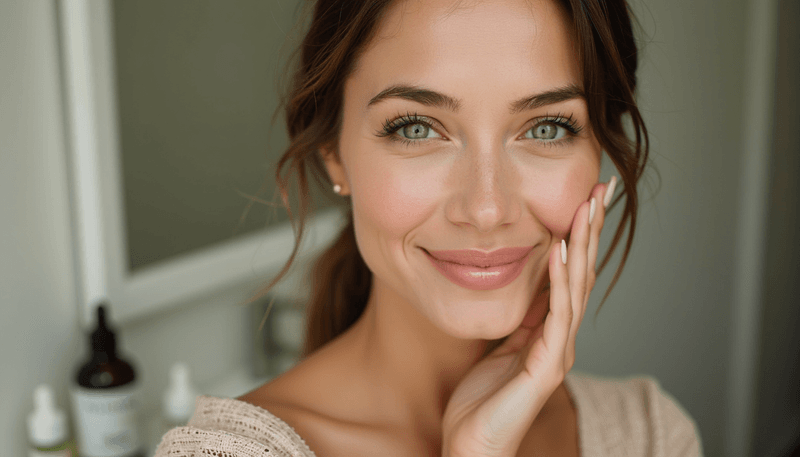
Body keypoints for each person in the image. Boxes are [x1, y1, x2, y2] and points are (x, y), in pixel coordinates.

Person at [155, 0, 704, 455]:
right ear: (333, 153)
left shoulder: (650, 433)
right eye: (417, 128)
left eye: (548, 126)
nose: (487, 209)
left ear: (599, 151)